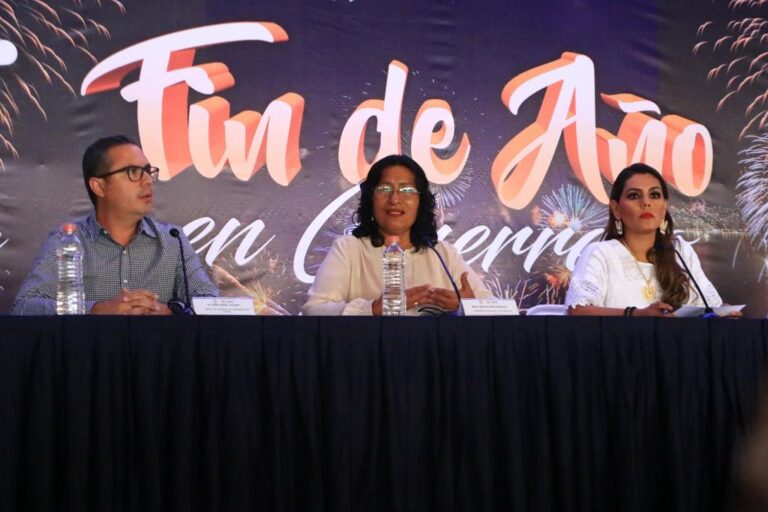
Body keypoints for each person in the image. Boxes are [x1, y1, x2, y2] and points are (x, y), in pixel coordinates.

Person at [11, 135, 218, 315]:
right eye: (133, 171)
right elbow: (24, 306)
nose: (147, 180)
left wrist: (167, 311)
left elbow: (211, 303)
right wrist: (97, 309)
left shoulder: (172, 240)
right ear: (99, 186)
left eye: (148, 171)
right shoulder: (67, 240)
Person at [301, 154, 492, 315]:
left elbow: (499, 310)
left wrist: (468, 307)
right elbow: (314, 309)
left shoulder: (443, 254)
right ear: (371, 199)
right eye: (384, 189)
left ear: (421, 202)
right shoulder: (349, 249)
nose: (395, 199)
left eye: (407, 190)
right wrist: (372, 309)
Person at [565, 162, 732, 317]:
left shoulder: (680, 251)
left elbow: (709, 307)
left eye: (654, 195)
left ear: (664, 206)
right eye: (634, 196)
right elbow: (578, 310)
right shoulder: (600, 254)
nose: (646, 202)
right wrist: (636, 315)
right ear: (616, 209)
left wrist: (722, 314)